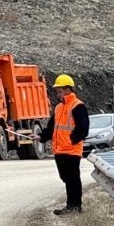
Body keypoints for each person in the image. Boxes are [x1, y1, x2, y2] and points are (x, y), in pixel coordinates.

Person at [40, 74, 90, 215]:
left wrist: (72, 140)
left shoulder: (78, 106)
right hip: (59, 150)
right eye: (57, 91)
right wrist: (41, 137)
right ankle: (72, 206)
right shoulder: (58, 108)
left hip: (71, 150)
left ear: (68, 90)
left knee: (72, 178)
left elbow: (83, 128)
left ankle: (75, 206)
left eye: (60, 91)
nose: (58, 94)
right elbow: (52, 128)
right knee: (66, 178)